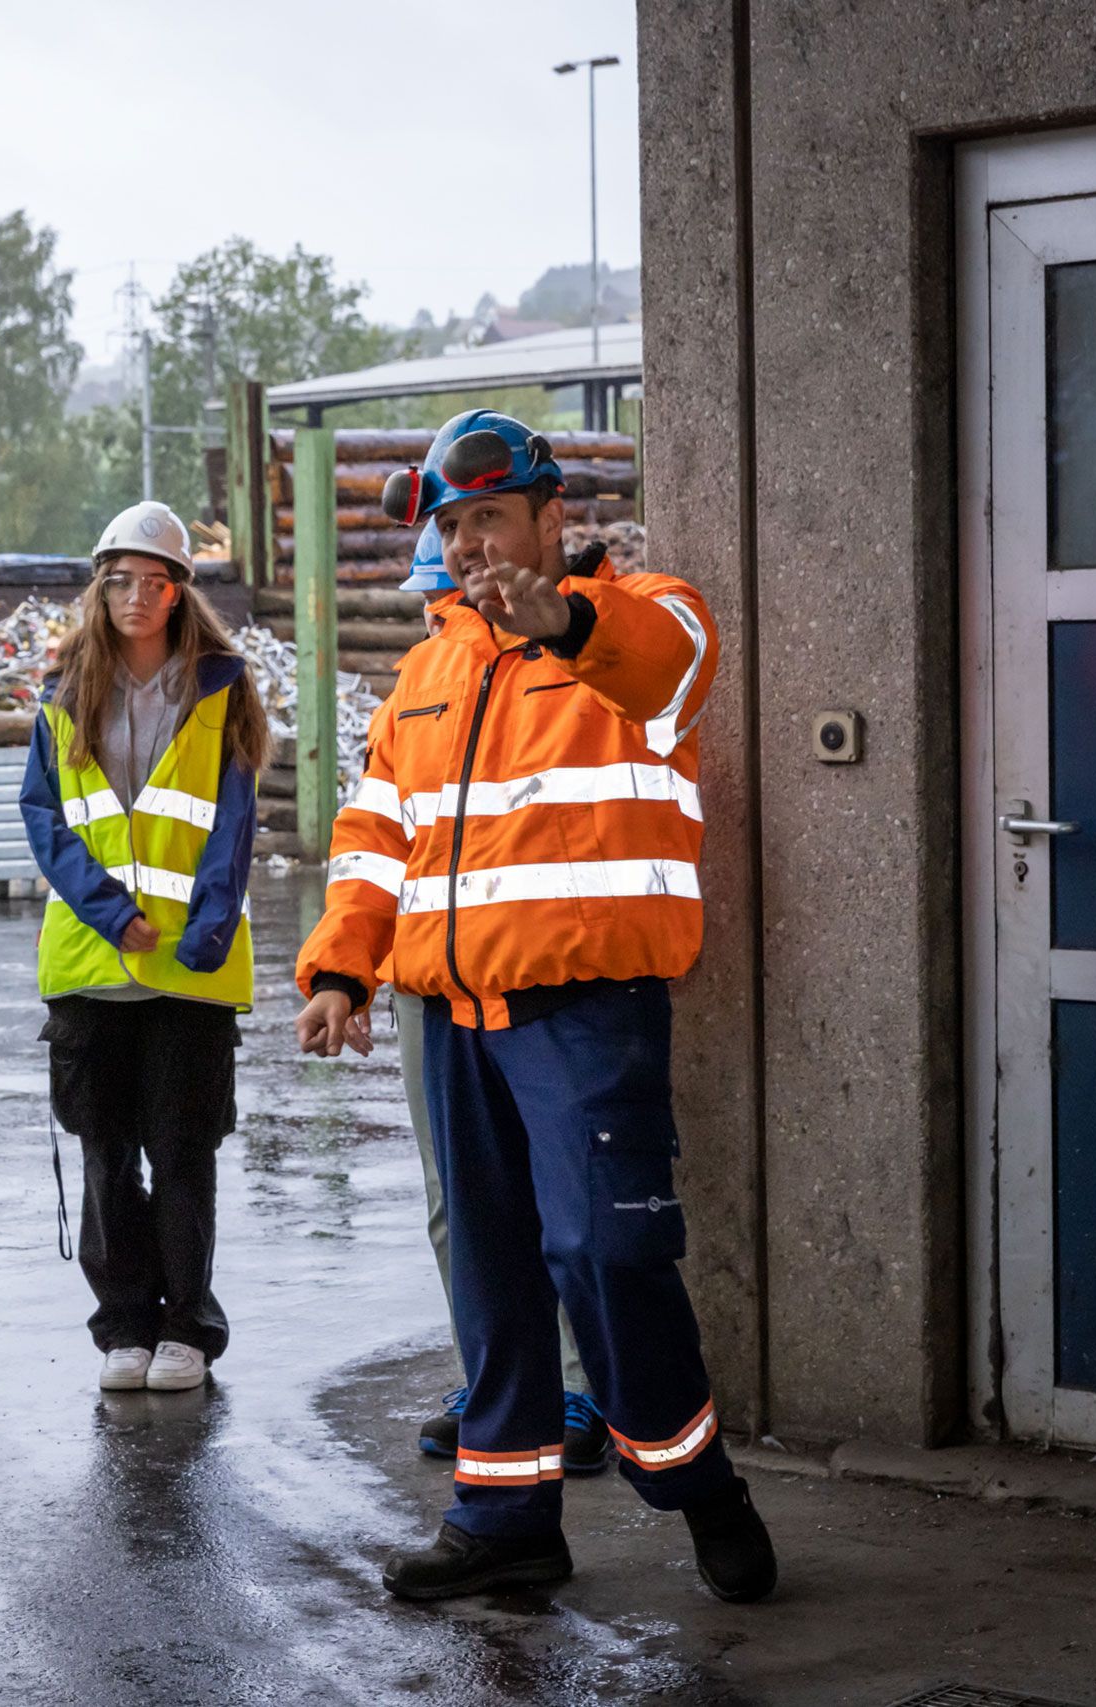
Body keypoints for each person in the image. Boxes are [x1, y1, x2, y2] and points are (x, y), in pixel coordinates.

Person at [294, 410, 776, 1605]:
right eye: (453, 527)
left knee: (608, 1254)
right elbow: (375, 835)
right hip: (456, 1021)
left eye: (490, 518)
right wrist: (342, 967)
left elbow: (662, 667)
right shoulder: (428, 671)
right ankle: (505, 1521)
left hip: (588, 1015)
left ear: (552, 516)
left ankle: (698, 1484)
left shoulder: (645, 617)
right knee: (491, 1274)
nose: (469, 545)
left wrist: (559, 621)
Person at [18, 501, 265, 1395]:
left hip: (191, 967)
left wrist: (208, 927)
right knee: (106, 1155)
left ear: (178, 592)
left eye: (153, 582)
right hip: (91, 964)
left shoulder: (220, 689)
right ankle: (124, 1322)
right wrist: (106, 911)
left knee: (184, 1150)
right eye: (119, 580)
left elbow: (233, 820)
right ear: (100, 587)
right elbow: (45, 817)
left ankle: (187, 1327)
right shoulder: (62, 692)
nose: (134, 595)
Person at [387, 521, 606, 1475]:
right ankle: (495, 1383)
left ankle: (578, 1390)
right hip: (428, 975)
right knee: (459, 1201)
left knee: (563, 1202)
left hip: (537, 975)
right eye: (433, 604)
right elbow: (377, 838)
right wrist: (343, 970)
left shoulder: (562, 675)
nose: (442, 617)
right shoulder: (419, 689)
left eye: (448, 601)